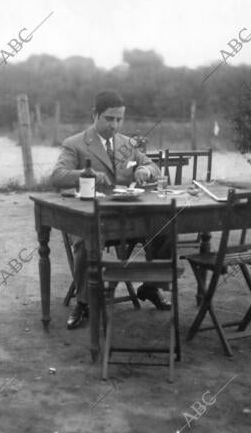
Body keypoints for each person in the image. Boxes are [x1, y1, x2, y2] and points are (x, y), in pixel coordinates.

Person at [51, 90, 171, 330]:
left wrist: (145, 170)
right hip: (92, 217)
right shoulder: (75, 144)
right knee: (86, 241)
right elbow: (57, 176)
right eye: (109, 119)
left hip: (128, 218)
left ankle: (151, 286)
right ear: (94, 115)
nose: (114, 125)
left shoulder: (128, 144)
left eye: (119, 119)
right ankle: (83, 303)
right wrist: (86, 174)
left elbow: (151, 166)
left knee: (165, 227)